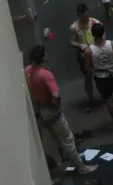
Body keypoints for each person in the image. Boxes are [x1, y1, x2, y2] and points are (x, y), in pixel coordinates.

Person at [25, 45, 98, 174]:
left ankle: (61, 162)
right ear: (43, 57)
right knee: (68, 139)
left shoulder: (27, 71)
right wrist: (56, 105)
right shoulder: (46, 75)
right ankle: (81, 167)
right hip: (51, 111)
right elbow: (56, 95)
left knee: (52, 139)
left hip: (38, 110)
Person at [83, 23, 113, 125]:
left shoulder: (88, 51)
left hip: (100, 77)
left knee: (108, 100)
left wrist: (96, 70)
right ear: (103, 33)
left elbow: (87, 67)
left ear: (92, 34)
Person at [69, 3, 100, 112]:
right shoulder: (74, 27)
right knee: (88, 77)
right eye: (82, 15)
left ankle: (106, 96)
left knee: (101, 73)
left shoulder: (95, 22)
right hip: (84, 54)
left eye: (86, 14)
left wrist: (98, 43)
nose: (84, 17)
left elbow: (103, 34)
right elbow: (71, 41)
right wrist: (80, 45)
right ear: (78, 15)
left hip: (97, 51)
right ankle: (90, 99)